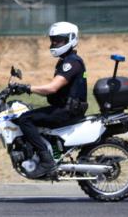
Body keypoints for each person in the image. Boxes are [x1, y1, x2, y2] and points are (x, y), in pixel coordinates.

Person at [8, 21, 88, 178]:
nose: (54, 43)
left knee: (25, 119)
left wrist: (26, 88)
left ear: (71, 39)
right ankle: (46, 152)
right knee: (29, 112)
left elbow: (52, 88)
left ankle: (46, 162)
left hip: (67, 111)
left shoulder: (72, 63)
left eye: (59, 40)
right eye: (52, 40)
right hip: (64, 108)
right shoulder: (66, 60)